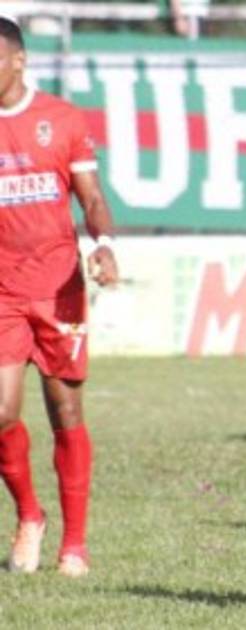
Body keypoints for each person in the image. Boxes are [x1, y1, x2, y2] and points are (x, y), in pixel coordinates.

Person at [0, 17, 119, 578]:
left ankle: (75, 544)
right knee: (0, 413)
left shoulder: (63, 119)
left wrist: (104, 244)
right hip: (2, 290)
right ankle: (30, 514)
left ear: (19, 60)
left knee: (65, 410)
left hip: (56, 287)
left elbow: (91, 197)